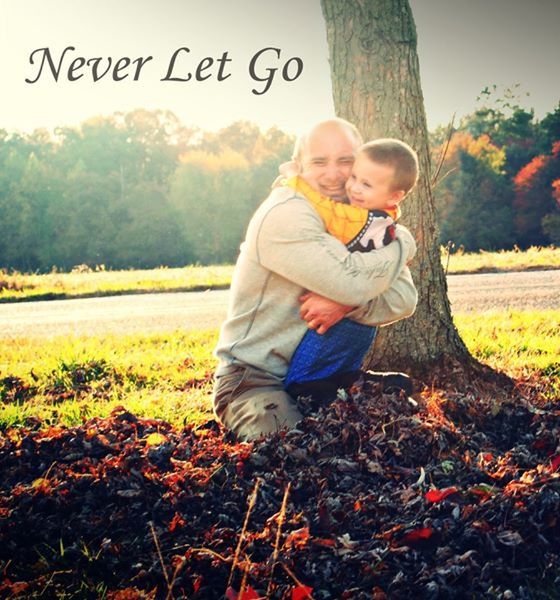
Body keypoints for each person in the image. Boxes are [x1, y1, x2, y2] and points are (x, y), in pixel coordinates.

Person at [213, 119, 418, 441]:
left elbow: (404, 297)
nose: (334, 173)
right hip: (255, 379)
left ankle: (343, 384)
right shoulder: (286, 213)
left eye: (346, 161)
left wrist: (344, 305)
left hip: (321, 373)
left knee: (387, 438)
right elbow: (352, 282)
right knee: (292, 451)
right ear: (297, 167)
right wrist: (403, 242)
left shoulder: (361, 216)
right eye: (319, 162)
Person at [281, 139, 419, 403]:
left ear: (394, 195)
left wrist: (292, 179)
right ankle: (372, 386)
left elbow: (324, 209)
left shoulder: (362, 221)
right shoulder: (382, 219)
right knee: (334, 373)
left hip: (339, 322)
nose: (354, 188)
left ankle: (369, 391)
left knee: (302, 385)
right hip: (359, 324)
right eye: (354, 177)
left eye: (366, 184)